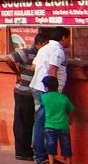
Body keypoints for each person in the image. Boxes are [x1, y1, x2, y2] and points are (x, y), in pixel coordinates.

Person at [5, 30, 48, 160]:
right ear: (41, 43)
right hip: (23, 91)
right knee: (22, 122)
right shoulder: (27, 52)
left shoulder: (42, 54)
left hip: (33, 92)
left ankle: (28, 150)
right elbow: (8, 59)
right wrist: (17, 73)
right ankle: (22, 152)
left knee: (30, 122)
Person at [31, 26, 70, 164]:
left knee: (40, 121)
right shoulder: (57, 49)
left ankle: (42, 155)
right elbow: (52, 69)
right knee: (43, 123)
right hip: (46, 90)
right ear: (64, 38)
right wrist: (53, 93)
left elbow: (33, 67)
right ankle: (41, 157)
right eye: (68, 38)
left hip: (38, 86)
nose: (69, 41)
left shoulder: (44, 48)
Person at [39, 76, 73, 163]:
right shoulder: (64, 98)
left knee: (51, 147)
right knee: (66, 147)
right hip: (63, 125)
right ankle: (68, 162)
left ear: (46, 88)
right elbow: (71, 109)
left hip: (50, 125)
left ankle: (51, 162)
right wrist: (70, 119)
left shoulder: (44, 97)